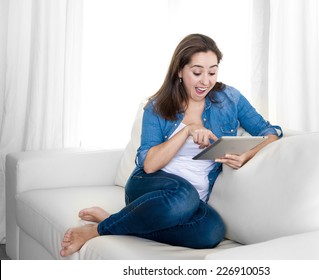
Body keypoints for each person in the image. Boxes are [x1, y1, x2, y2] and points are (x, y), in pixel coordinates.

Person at [60, 33, 282, 257]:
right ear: (180, 71)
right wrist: (186, 132)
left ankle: (115, 220)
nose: (206, 81)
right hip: (150, 189)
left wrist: (248, 155)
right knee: (184, 193)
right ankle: (99, 230)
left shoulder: (229, 98)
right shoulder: (156, 107)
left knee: (211, 232)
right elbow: (149, 165)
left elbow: (270, 132)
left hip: (190, 205)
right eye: (197, 72)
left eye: (212, 72)